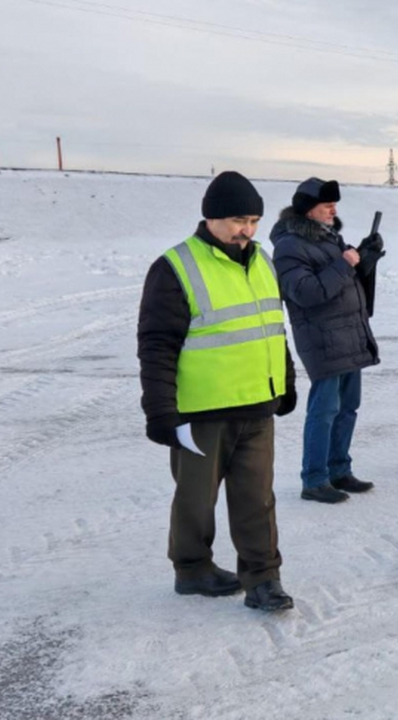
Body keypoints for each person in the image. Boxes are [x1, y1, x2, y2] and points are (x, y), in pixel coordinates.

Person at [137, 171, 298, 612]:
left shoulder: (262, 260)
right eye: (237, 220)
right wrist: (160, 411)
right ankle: (192, 569)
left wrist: (284, 381)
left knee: (257, 498)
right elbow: (156, 345)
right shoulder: (175, 267)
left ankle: (263, 578)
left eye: (254, 220)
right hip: (201, 411)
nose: (246, 230)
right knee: (195, 497)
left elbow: (271, 326)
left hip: (256, 404)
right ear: (210, 218)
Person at [270, 177, 384, 504]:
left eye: (334, 204)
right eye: (326, 205)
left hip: (349, 333)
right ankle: (314, 478)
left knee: (348, 408)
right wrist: (343, 263)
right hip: (322, 338)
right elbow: (306, 293)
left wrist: (365, 257)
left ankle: (339, 470)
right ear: (308, 210)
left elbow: (345, 281)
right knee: (325, 410)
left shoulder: (330, 238)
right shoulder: (290, 245)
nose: (333, 209)